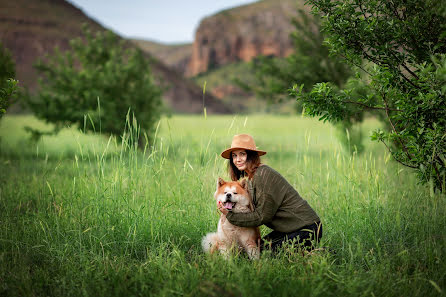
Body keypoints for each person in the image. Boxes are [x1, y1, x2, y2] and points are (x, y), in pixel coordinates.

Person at [217, 134, 322, 253]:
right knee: (256, 247)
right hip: (289, 229)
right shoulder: (251, 177)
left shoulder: (263, 174)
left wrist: (229, 215)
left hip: (306, 228)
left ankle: (321, 253)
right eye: (234, 156)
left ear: (251, 156)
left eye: (242, 154)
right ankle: (309, 252)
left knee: (263, 252)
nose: (238, 159)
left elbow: (262, 216)